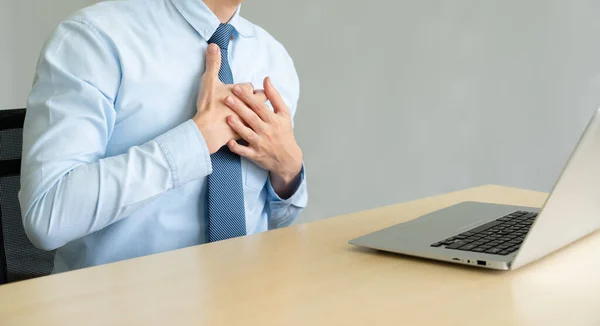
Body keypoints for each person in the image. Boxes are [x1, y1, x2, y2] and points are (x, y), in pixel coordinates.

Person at [20, 0, 307, 273]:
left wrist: (288, 171)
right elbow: (47, 216)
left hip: (247, 300)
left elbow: (272, 221)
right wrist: (197, 139)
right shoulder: (94, 40)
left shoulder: (274, 59)